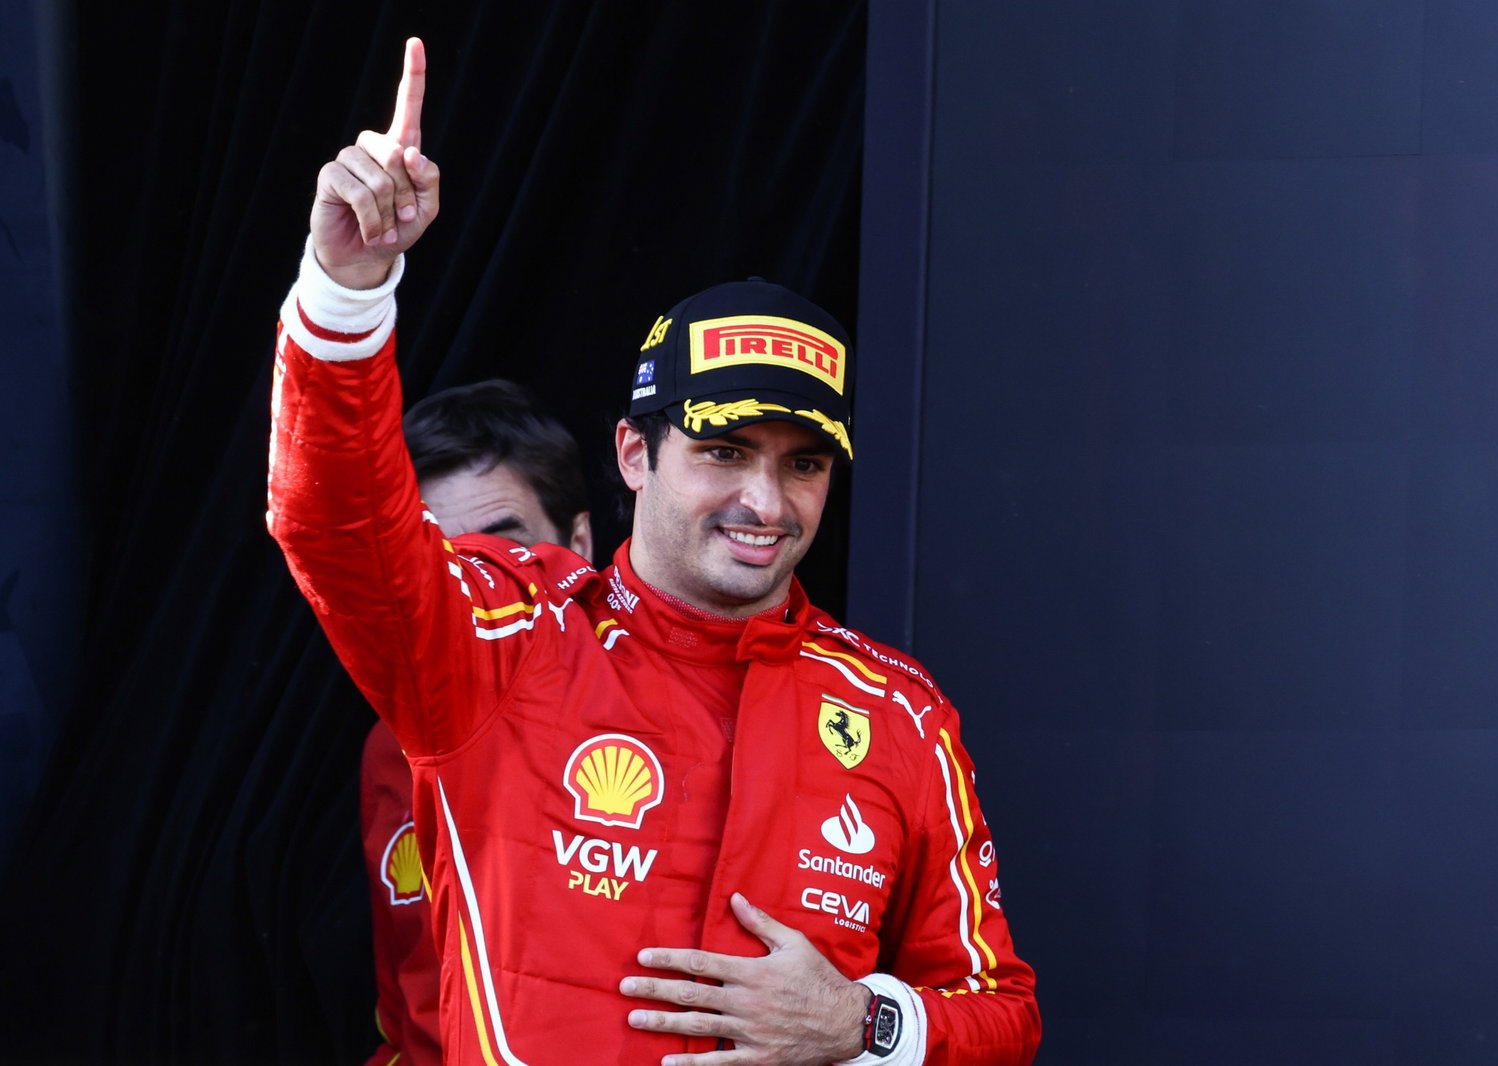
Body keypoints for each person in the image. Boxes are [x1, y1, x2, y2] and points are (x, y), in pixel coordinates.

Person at [269, 38, 1039, 1065]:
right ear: (633, 452)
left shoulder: (898, 713)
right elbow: (333, 523)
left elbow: (998, 1009)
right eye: (723, 451)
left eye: (804, 464)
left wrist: (864, 1023)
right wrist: (347, 290)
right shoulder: (504, 640)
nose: (764, 501)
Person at [361, 380, 593, 1066]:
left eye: (503, 548)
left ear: (579, 542)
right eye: (442, 556)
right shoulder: (388, 742)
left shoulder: (671, 714)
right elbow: (410, 1008)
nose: (475, 585)